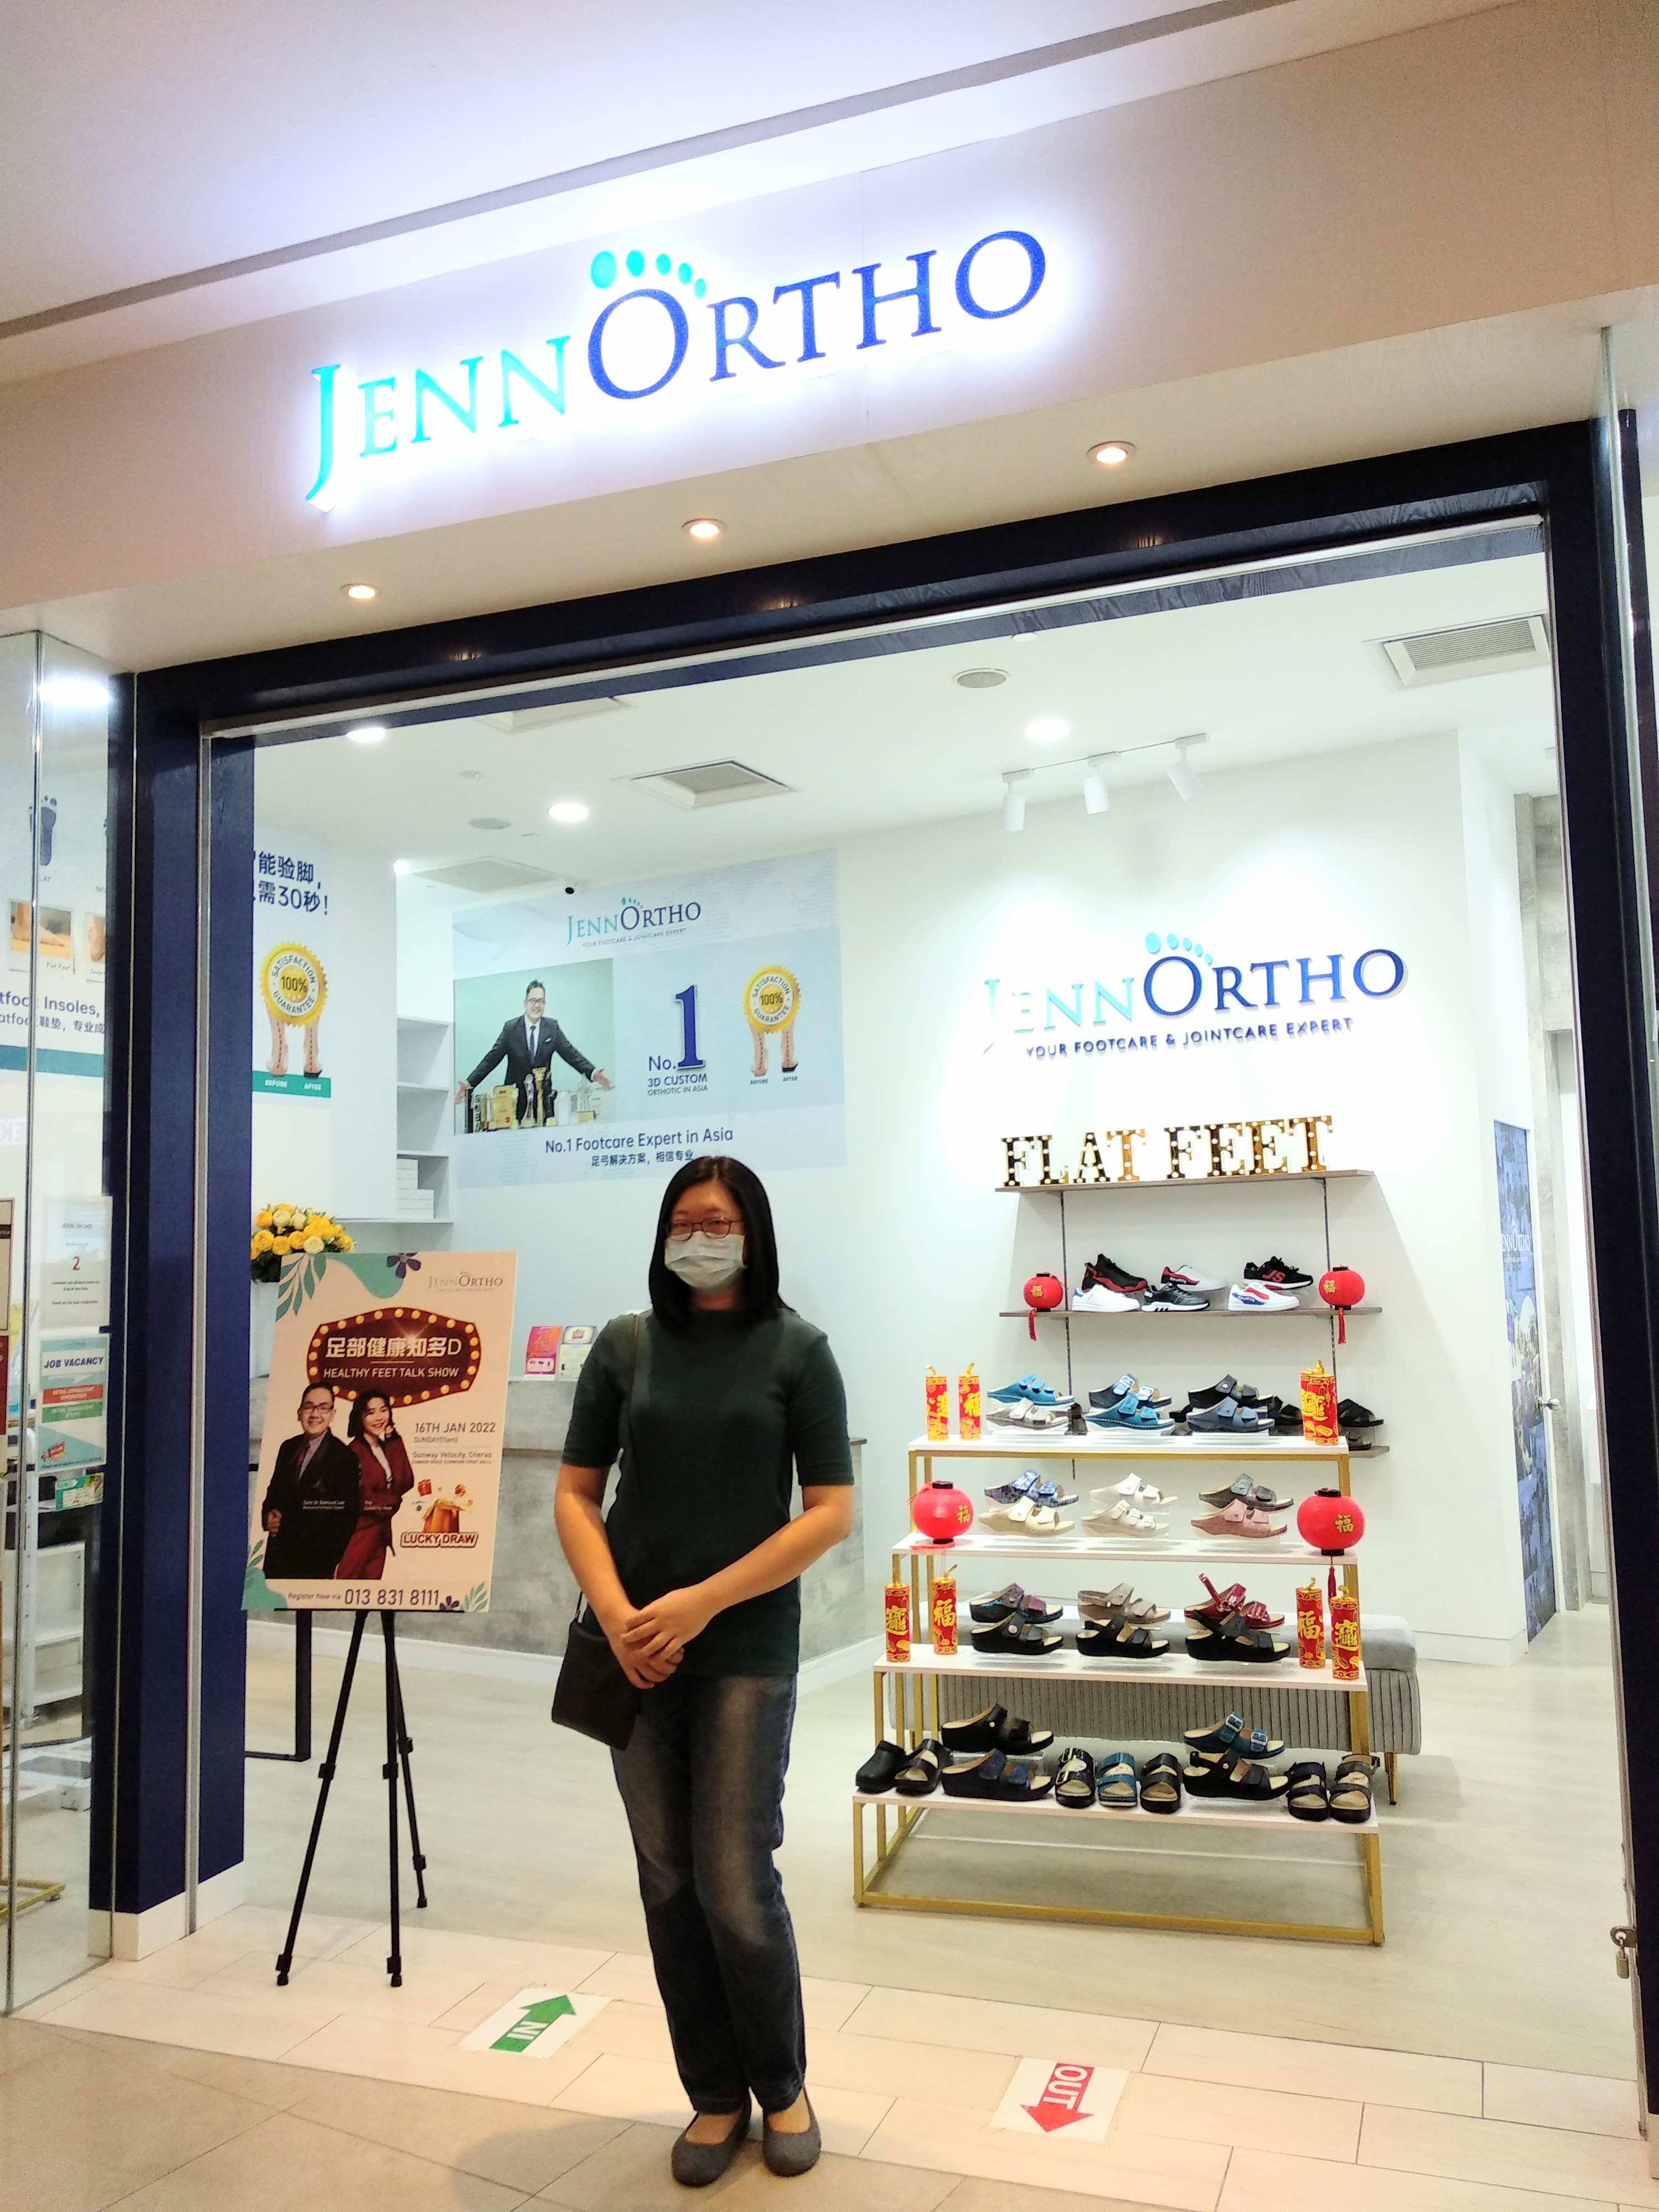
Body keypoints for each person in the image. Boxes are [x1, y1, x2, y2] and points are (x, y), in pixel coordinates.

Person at [554, 1155, 853, 2187]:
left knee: (733, 1877)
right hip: (635, 1646)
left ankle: (783, 2086)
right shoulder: (625, 1347)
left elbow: (829, 1512)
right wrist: (620, 1614)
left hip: (743, 1650)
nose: (701, 1237)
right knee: (668, 1878)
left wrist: (702, 1603)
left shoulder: (799, 1350)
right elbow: (576, 1493)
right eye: (684, 1221)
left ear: (754, 1233)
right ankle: (715, 2094)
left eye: (720, 1222)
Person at [456, 980, 613, 1115]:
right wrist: (470, 1084)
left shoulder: (552, 1028)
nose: (537, 1005)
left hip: (544, 1103)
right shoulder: (511, 1029)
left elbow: (571, 1054)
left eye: (541, 1001)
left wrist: (593, 1073)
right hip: (514, 1103)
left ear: (545, 1004)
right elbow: (492, 1059)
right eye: (533, 1001)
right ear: (525, 1004)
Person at [260, 1383, 362, 1580]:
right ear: (299, 1413)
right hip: (277, 1558)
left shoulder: (345, 1457)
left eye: (323, 1408)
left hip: (314, 1564)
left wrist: (327, 1562)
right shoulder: (288, 1448)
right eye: (309, 1407)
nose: (315, 1414)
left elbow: (348, 1518)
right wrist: (268, 1515)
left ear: (333, 1414)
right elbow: (274, 1492)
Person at [336, 1388, 415, 1580]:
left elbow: (405, 1482)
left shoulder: (384, 1447)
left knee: (370, 1591)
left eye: (384, 1410)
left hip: (381, 1534)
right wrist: (393, 1502)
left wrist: (393, 1440)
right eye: (371, 1413)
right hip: (359, 1534)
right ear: (360, 1417)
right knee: (345, 1585)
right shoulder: (353, 1452)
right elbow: (361, 1499)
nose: (379, 1418)